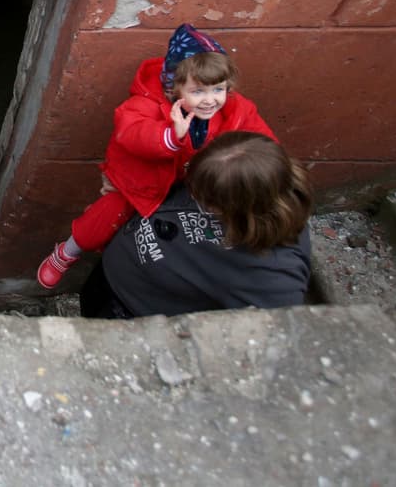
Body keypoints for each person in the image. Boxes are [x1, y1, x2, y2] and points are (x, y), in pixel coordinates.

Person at [37, 23, 276, 289]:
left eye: (218, 89)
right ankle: (68, 251)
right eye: (198, 91)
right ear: (175, 88)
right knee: (105, 218)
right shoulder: (144, 104)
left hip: (191, 186)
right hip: (142, 183)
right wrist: (172, 136)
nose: (210, 100)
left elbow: (261, 140)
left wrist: (272, 166)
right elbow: (133, 134)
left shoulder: (236, 110)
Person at [79, 131, 313, 318]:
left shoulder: (275, 276)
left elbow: (273, 335)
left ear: (239, 209)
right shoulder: (235, 173)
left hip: (133, 313)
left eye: (203, 198)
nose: (191, 193)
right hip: (110, 276)